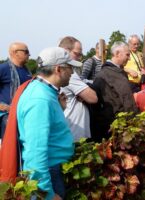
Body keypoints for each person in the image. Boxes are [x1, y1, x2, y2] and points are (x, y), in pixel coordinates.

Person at [17, 47, 82, 200]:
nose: (72, 73)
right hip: (49, 175)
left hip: (53, 171)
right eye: (70, 68)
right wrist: (46, 193)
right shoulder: (40, 100)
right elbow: (35, 151)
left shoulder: (45, 93)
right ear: (58, 69)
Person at [91, 42, 139, 141]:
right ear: (117, 53)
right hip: (115, 131)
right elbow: (102, 108)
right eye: (127, 54)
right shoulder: (103, 76)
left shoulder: (121, 73)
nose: (129, 58)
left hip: (128, 128)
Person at [59, 36, 98, 142]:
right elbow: (93, 97)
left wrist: (83, 93)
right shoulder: (69, 74)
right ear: (66, 51)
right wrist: (85, 93)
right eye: (77, 54)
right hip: (74, 132)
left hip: (73, 130)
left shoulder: (68, 71)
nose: (80, 58)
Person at [0, 42, 32, 139]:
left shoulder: (27, 71)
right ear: (15, 53)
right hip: (7, 116)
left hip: (22, 113)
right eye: (26, 52)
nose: (29, 54)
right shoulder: (3, 68)